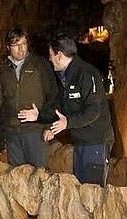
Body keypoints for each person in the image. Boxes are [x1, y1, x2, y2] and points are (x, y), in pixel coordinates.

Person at [17, 33, 114, 186]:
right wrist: (40, 116)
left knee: (93, 192)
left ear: (59, 55)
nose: (49, 59)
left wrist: (67, 123)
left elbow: (93, 111)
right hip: (81, 142)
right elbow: (60, 109)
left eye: (51, 55)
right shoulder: (66, 78)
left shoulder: (87, 74)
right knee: (82, 188)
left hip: (96, 143)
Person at [0, 27, 58, 167]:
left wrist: (50, 126)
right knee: (17, 177)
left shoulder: (39, 65)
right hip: (12, 132)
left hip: (36, 131)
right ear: (8, 47)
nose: (21, 49)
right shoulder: (3, 70)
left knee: (39, 175)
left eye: (24, 44)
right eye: (16, 45)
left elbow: (52, 96)